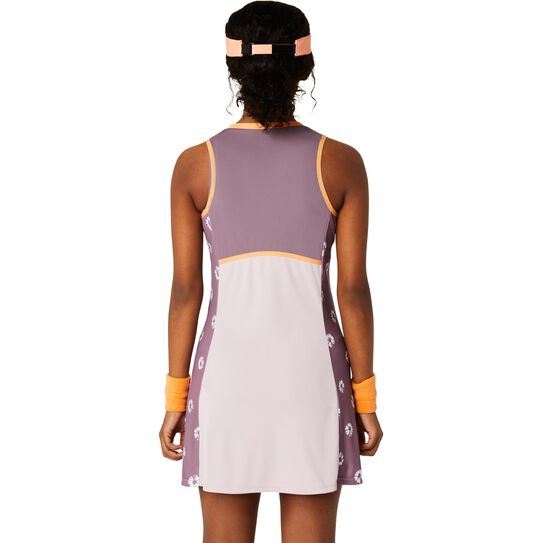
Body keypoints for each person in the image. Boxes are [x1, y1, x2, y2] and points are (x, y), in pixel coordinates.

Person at [159, 1, 383, 541]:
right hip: (311, 382)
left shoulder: (195, 164)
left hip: (227, 382)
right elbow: (352, 291)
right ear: (305, 67)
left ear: (233, 67)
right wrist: (367, 400)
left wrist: (174, 399)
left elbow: (186, 292)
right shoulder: (341, 162)